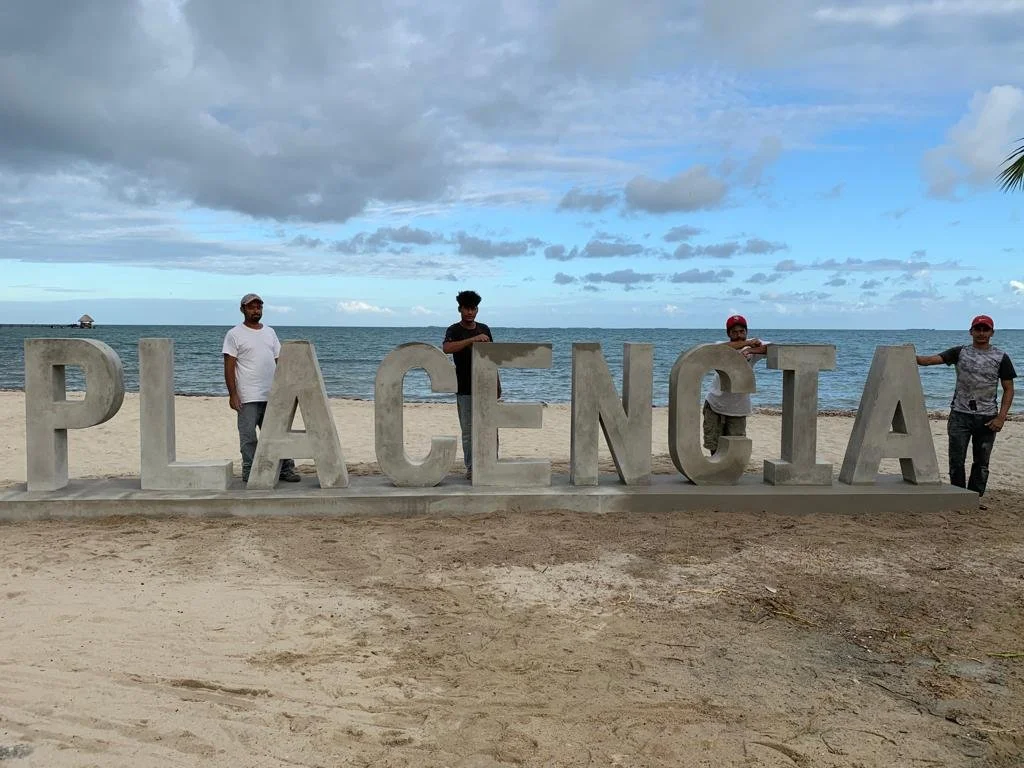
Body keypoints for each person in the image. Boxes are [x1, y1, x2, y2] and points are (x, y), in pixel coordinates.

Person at [916, 314, 1015, 499]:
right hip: (959, 415)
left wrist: (1001, 417)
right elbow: (928, 361)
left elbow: (1008, 389)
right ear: (971, 331)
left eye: (985, 329)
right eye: (978, 329)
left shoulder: (1001, 357)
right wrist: (907, 355)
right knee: (956, 460)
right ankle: (958, 496)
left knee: (982, 462)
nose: (981, 333)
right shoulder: (959, 352)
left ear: (992, 333)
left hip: (987, 418)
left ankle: (975, 497)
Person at [223, 293, 301, 484]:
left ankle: (285, 470)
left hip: (272, 394)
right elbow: (229, 366)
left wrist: (288, 387)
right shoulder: (234, 334)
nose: (256, 310)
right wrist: (233, 394)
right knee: (248, 437)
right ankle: (249, 471)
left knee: (277, 434)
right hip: (247, 395)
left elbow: (280, 360)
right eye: (251, 307)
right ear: (242, 309)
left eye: (259, 307)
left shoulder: (270, 332)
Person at [442, 290, 499, 480]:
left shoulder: (485, 329)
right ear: (460, 309)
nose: (470, 312)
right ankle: (471, 467)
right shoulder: (454, 330)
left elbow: (492, 358)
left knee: (490, 428)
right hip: (464, 387)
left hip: (486, 386)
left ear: (477, 310)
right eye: (466, 308)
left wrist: (497, 384)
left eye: (473, 309)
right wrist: (472, 340)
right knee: (468, 431)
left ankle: (491, 463)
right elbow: (447, 348)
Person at [703, 314, 769, 453]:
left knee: (735, 450)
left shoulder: (752, 347)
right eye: (734, 332)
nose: (739, 335)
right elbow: (715, 349)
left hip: (738, 409)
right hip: (714, 404)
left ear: (746, 331)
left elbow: (773, 348)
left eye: (742, 331)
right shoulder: (721, 346)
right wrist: (747, 343)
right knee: (714, 447)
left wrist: (751, 349)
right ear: (728, 334)